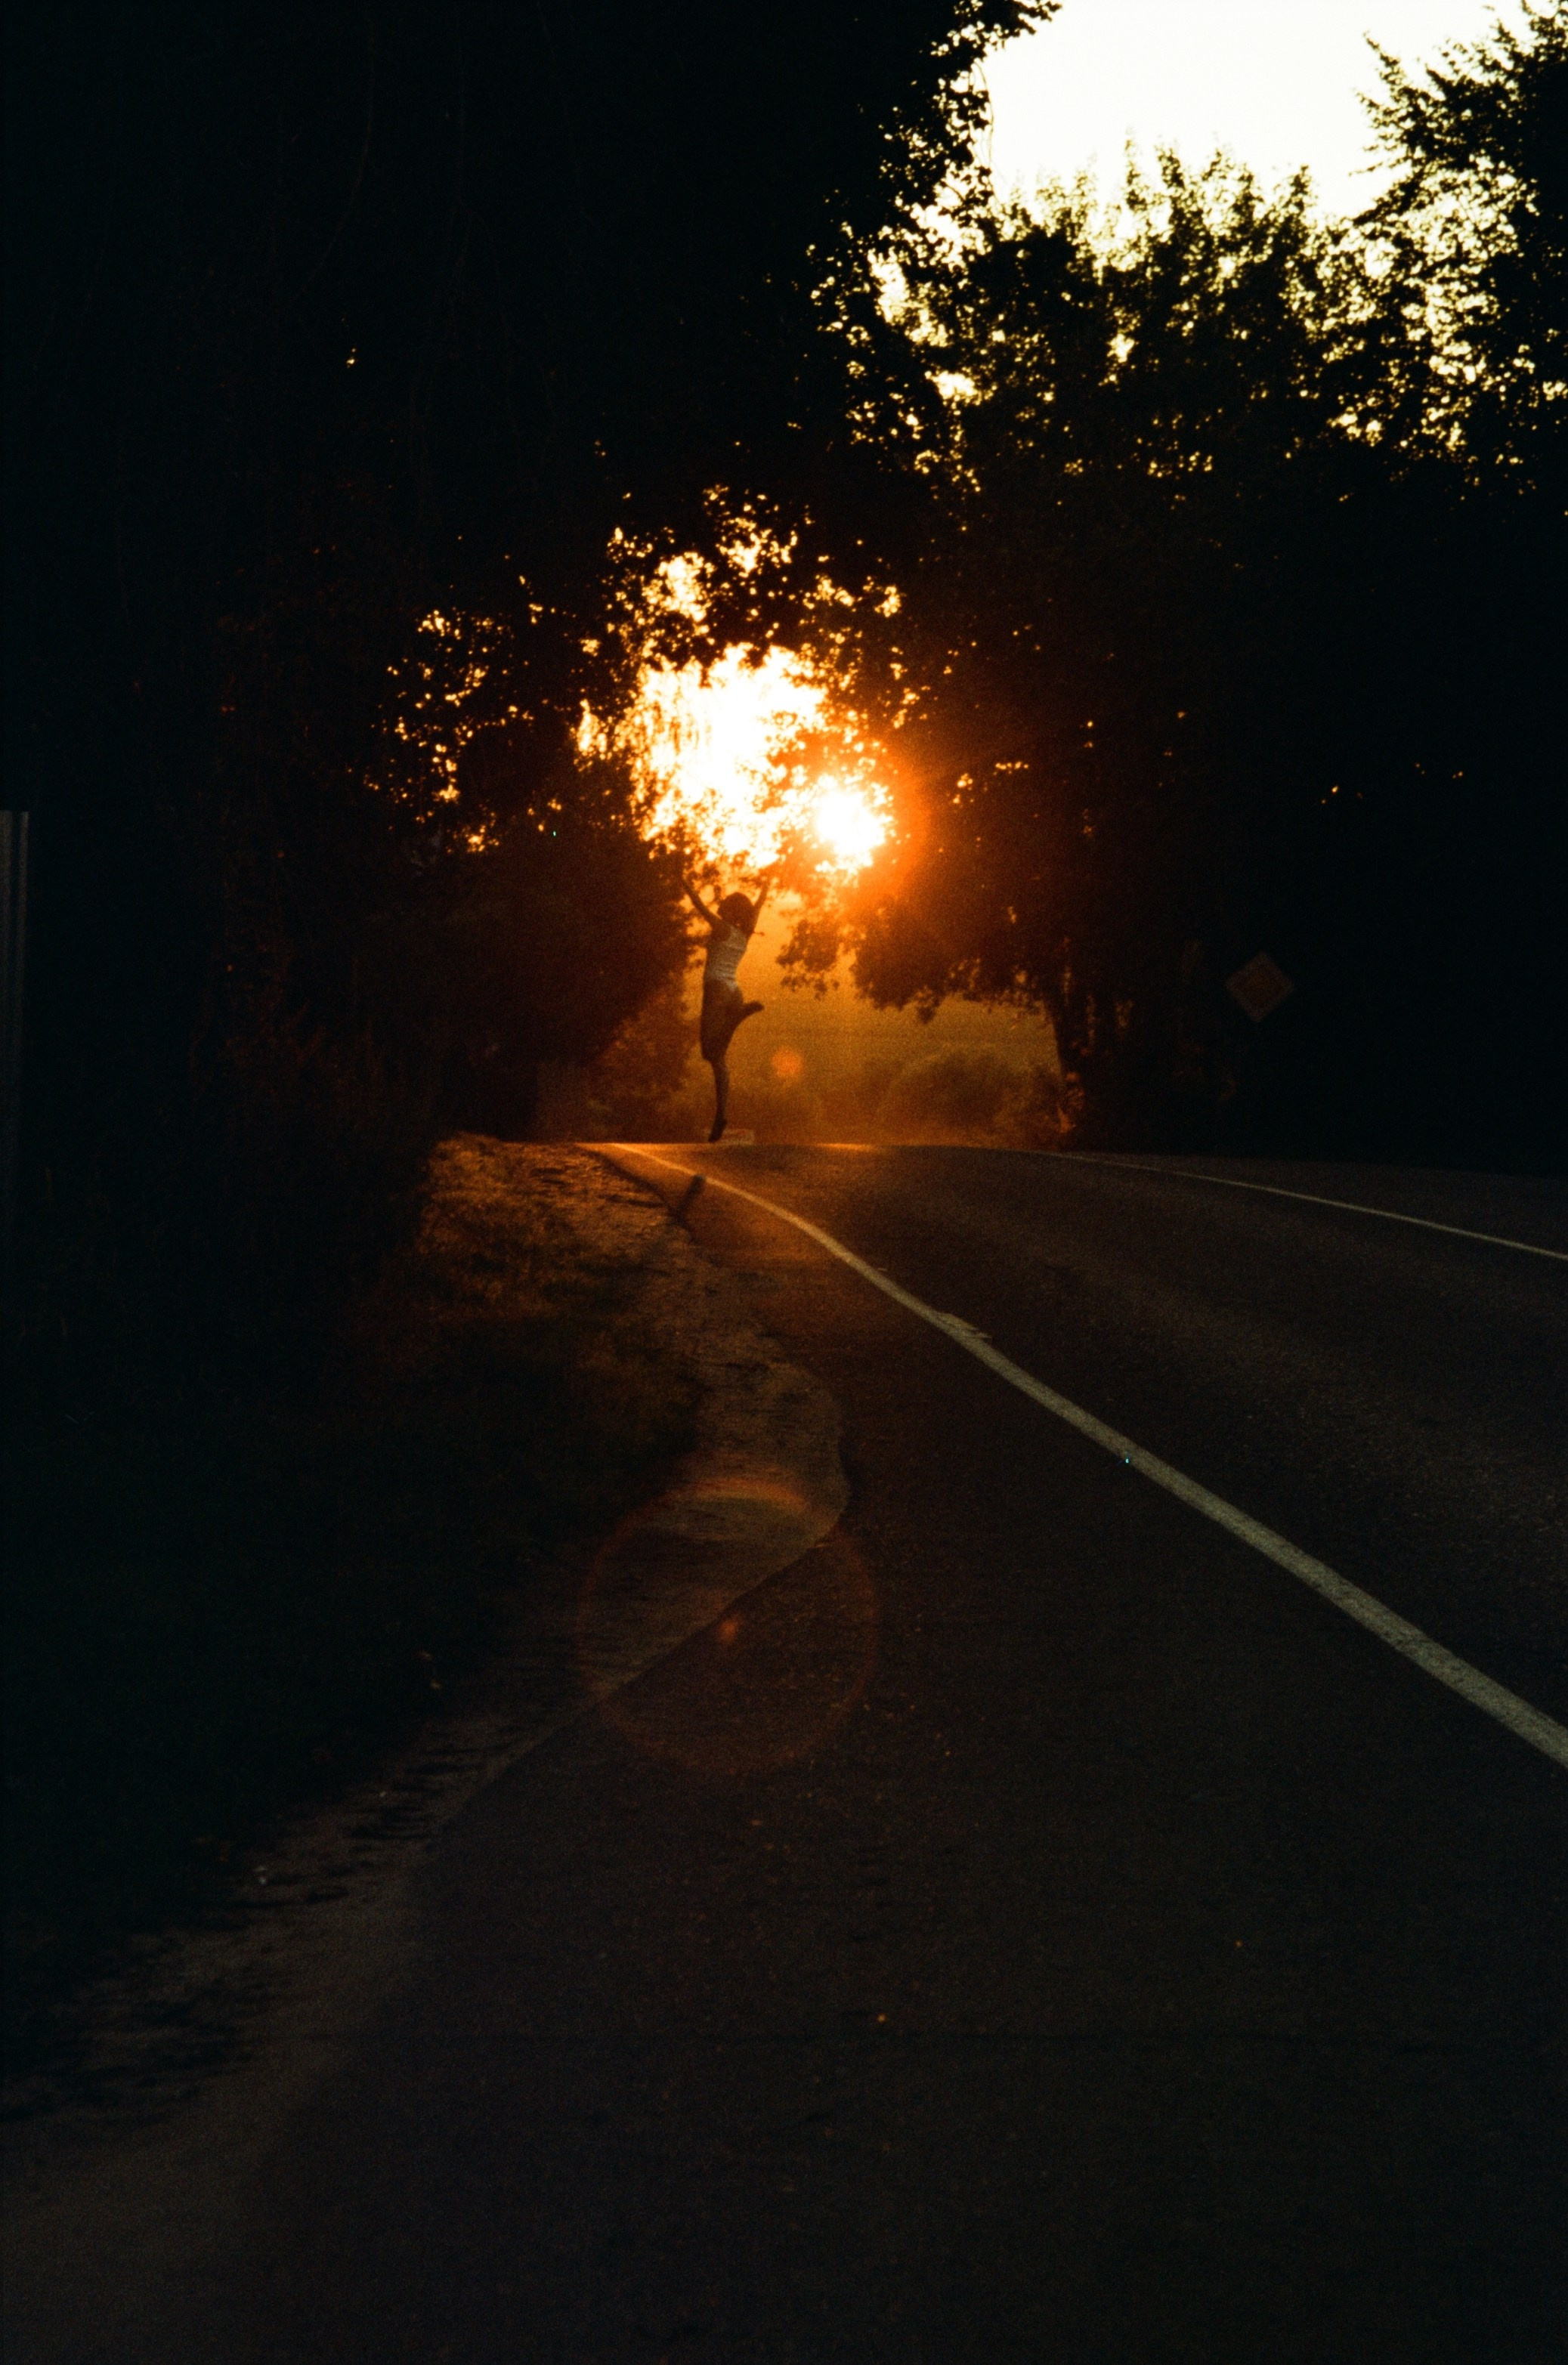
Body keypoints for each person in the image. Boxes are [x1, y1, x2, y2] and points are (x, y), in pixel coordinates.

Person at [684, 867, 773, 1142]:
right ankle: (721, 1115)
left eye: (725, 905)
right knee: (718, 1059)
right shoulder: (745, 933)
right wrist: (768, 882)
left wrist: (682, 880)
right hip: (735, 992)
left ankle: (738, 1018)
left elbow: (699, 906)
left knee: (709, 1052)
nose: (720, 907)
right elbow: (758, 905)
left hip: (717, 990)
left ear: (732, 910)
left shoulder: (722, 929)